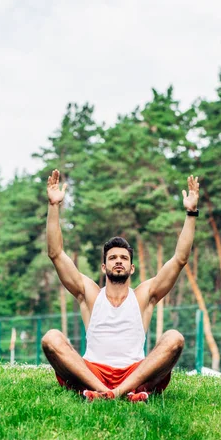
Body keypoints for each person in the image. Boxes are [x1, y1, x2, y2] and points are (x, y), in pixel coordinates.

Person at [42, 169, 199, 402]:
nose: (118, 261)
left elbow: (179, 259)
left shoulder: (144, 296)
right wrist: (54, 206)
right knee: (51, 338)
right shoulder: (90, 295)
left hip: (134, 372)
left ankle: (114, 392)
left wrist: (191, 212)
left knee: (175, 338)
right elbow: (55, 253)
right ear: (104, 267)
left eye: (124, 258)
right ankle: (109, 391)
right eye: (113, 258)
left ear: (131, 268)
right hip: (93, 371)